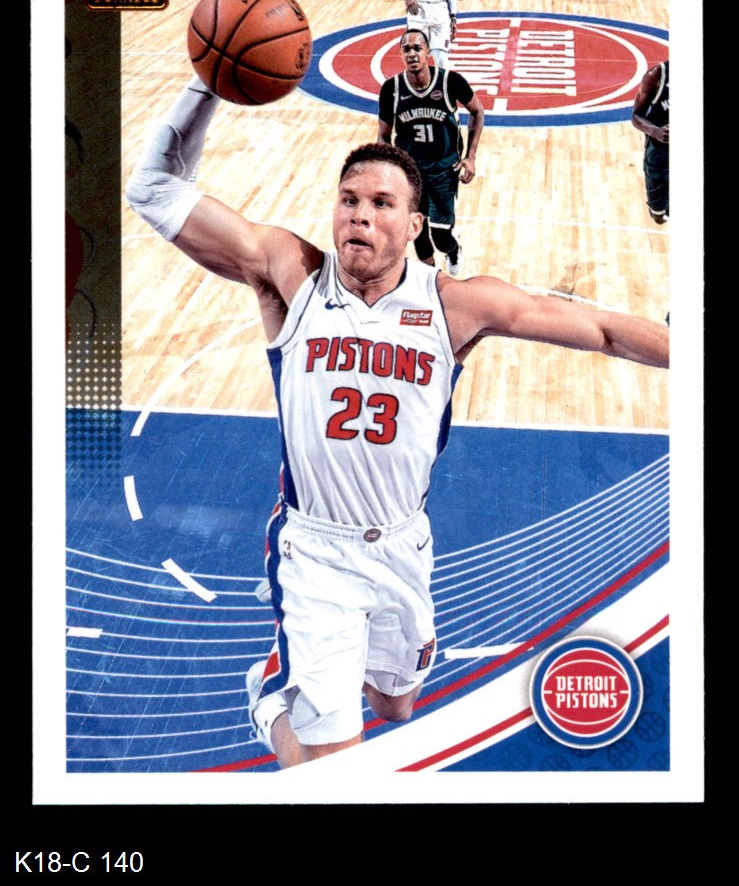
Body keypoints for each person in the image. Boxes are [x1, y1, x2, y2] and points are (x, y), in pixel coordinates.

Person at [126, 76, 669, 769]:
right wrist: (207, 83)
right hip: (315, 553)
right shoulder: (292, 275)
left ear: (415, 224)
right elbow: (153, 188)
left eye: (382, 204)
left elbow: (603, 330)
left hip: (403, 543)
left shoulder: (455, 305)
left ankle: (315, 678)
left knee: (395, 705)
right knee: (334, 767)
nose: (360, 215)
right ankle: (272, 696)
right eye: (348, 200)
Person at [377, 28, 484, 276]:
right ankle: (431, 280)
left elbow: (477, 111)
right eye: (406, 49)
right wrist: (386, 171)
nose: (412, 54)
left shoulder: (450, 82)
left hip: (444, 171)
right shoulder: (392, 89)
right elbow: (383, 135)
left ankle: (453, 250)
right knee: (417, 231)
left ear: (428, 52)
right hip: (411, 174)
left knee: (441, 236)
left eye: (417, 48)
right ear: (400, 55)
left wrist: (470, 157)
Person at [631, 60, 669, 224]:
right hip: (660, 154)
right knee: (659, 216)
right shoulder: (657, 75)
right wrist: (655, 131)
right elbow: (636, 116)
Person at [395, 0, 457, 69]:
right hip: (417, 9)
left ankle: (440, 78)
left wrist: (453, 16)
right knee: (416, 58)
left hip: (440, 10)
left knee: (442, 61)